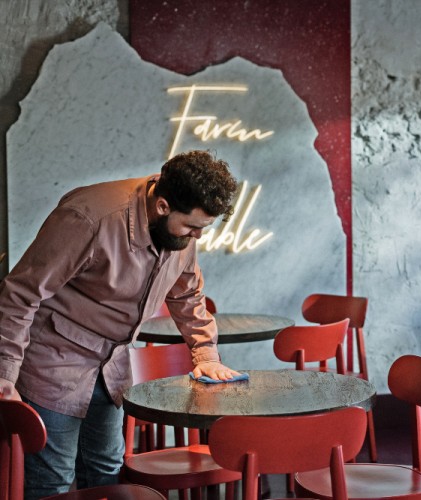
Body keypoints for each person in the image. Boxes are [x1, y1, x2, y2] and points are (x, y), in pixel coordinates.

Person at [0, 150, 242, 499]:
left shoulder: (181, 235)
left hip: (111, 367)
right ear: (162, 206)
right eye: (192, 226)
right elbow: (20, 293)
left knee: (107, 474)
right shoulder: (88, 217)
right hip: (52, 363)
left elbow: (187, 295)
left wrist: (206, 353)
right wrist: (5, 374)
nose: (197, 237)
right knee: (52, 484)